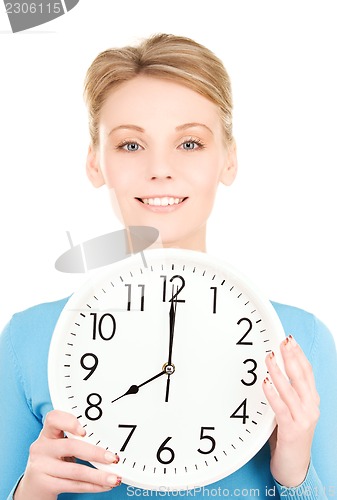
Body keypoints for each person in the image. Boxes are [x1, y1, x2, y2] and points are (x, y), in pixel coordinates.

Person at [0, 33, 336, 500]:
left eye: (191, 143)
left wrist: (295, 472)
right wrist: (29, 492)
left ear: (229, 159)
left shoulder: (302, 342)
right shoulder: (27, 340)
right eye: (131, 146)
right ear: (96, 163)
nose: (160, 169)